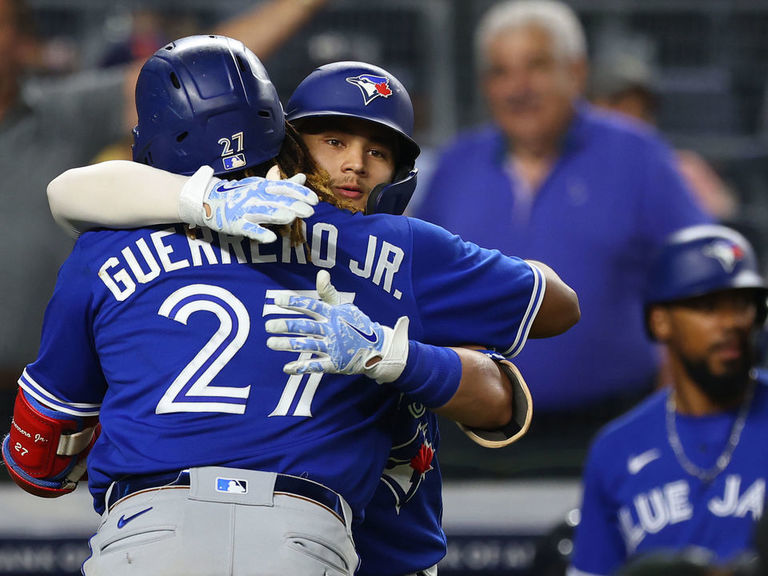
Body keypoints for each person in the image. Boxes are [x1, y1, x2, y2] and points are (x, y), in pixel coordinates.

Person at [3, 36, 580, 574]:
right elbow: (555, 311)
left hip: (148, 531)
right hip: (309, 532)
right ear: (286, 139)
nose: (354, 164)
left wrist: (398, 355)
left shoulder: (108, 239)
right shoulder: (393, 250)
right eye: (333, 141)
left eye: (377, 151)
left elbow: (38, 463)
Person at [0, 0, 333, 426]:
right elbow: (63, 193)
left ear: (24, 41)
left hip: (52, 384)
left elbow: (198, 81)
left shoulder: (63, 112)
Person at [412, 0, 712, 467]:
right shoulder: (455, 166)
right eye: (499, 72)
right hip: (472, 437)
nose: (517, 88)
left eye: (535, 66)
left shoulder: (640, 157)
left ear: (576, 71)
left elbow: (700, 282)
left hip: (613, 430)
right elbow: (418, 287)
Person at [568, 224, 768, 576]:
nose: (732, 322)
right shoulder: (616, 449)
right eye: (707, 306)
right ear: (661, 322)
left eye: (742, 304)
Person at [588, 51, 738, 221]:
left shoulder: (680, 169)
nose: (628, 120)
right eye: (618, 107)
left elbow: (723, 220)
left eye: (639, 110)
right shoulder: (567, 169)